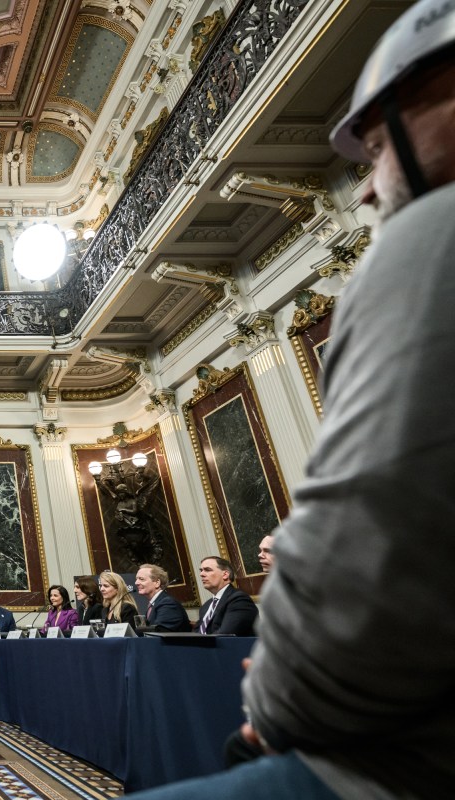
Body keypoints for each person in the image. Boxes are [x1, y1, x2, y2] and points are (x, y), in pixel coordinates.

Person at [131, 3, 455, 796]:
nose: (373, 190)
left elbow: (362, 534)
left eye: (377, 149)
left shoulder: (433, 234)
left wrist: (272, 711)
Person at [196, 556, 257, 636]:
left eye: (207, 570)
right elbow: (195, 634)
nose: (201, 574)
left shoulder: (239, 600)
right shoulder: (206, 606)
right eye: (201, 570)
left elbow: (226, 635)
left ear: (225, 575)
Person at [134, 564, 190, 632]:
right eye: (136, 579)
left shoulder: (168, 603)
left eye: (141, 579)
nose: (136, 583)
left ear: (157, 583)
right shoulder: (155, 602)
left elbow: (160, 631)